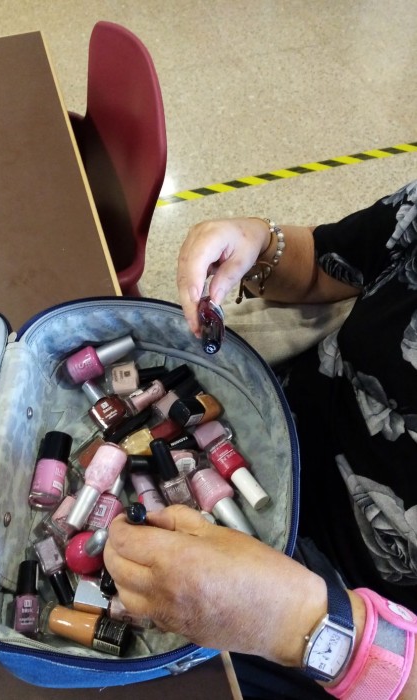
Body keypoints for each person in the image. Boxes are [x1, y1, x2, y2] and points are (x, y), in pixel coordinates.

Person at [104, 180, 417, 699]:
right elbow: (332, 262)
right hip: (261, 434)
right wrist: (259, 243)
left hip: (346, 624)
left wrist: (306, 626)